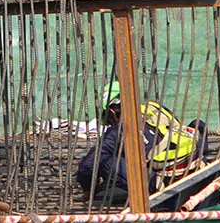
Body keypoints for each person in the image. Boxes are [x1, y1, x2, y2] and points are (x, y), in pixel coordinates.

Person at [76, 83, 206, 207]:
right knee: (197, 123)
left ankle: (157, 186)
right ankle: (205, 162)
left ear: (112, 112)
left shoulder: (119, 129)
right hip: (195, 163)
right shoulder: (153, 108)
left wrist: (88, 191)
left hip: (165, 179)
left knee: (101, 159)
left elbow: (88, 164)